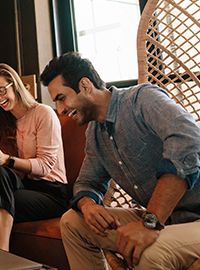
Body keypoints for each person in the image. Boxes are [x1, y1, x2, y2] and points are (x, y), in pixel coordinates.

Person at [40, 51, 200, 269]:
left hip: (188, 220)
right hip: (165, 220)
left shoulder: (141, 99)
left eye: (61, 98)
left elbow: (188, 138)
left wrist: (149, 222)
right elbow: (87, 183)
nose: (60, 110)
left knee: (148, 253)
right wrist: (88, 206)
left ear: (85, 85)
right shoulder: (95, 133)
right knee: (72, 222)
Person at [0, 63, 68, 251]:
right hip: (25, 187)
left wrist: (7, 159)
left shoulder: (43, 113)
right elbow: (13, 173)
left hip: (51, 194)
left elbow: (45, 167)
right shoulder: (5, 122)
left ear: (15, 86)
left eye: (1, 90)